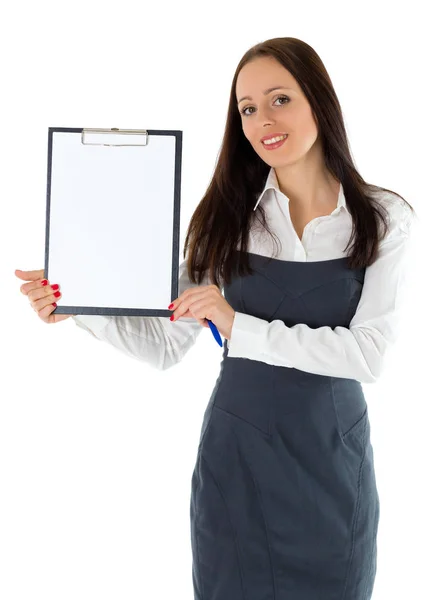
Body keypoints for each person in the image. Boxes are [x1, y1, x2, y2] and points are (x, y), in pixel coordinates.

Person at [16, 37, 417, 600]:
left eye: (279, 99)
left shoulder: (382, 217)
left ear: (319, 102)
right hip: (237, 464)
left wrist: (238, 326)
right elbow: (164, 345)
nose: (262, 121)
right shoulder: (225, 221)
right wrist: (80, 305)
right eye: (247, 108)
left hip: (331, 465)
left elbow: (367, 354)